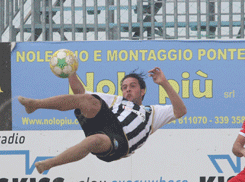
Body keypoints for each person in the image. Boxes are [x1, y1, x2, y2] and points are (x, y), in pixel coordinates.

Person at [18, 67, 187, 173]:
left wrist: (164, 83)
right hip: (106, 124)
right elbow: (79, 94)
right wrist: (71, 72)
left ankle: (49, 164)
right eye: (124, 87)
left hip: (121, 142)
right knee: (88, 100)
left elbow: (180, 111)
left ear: (142, 91)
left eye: (132, 86)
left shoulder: (152, 112)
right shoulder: (116, 101)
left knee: (95, 139)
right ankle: (35, 105)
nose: (127, 90)